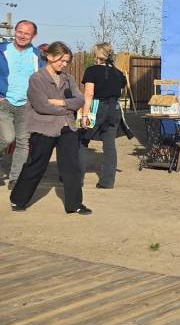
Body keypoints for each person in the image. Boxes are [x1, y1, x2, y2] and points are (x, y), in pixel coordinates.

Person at [9, 42, 91, 215]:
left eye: (67, 61)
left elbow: (80, 99)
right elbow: (41, 106)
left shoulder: (68, 78)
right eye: (62, 60)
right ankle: (18, 199)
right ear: (50, 57)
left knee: (72, 166)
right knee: (36, 164)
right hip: (43, 127)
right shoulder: (36, 78)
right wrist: (68, 107)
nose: (65, 64)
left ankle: (75, 204)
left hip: (67, 127)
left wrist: (60, 102)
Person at [79, 42, 131, 189]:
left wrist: (84, 115)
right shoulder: (119, 73)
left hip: (96, 108)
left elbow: (89, 94)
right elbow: (120, 91)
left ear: (96, 55)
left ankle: (77, 179)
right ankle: (107, 182)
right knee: (109, 145)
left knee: (81, 141)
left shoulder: (91, 71)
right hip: (114, 109)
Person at [0, 20, 44, 190]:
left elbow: (43, 78)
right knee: (7, 138)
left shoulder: (37, 55)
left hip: (26, 105)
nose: (22, 36)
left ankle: (15, 179)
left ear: (34, 36)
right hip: (4, 102)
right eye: (20, 31)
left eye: (27, 33)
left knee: (23, 142)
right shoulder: (2, 49)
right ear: (15, 31)